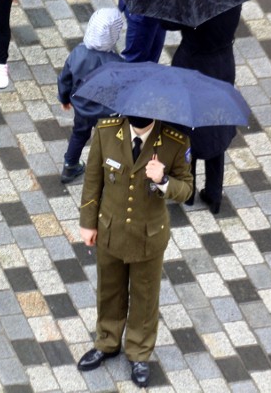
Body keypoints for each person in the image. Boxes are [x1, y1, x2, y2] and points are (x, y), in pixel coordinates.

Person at [76, 115, 193, 387]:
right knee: (109, 290)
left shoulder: (175, 142)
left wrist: (163, 179)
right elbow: (93, 181)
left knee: (144, 295)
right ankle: (107, 341)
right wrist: (87, 223)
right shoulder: (106, 132)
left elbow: (187, 190)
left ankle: (139, 351)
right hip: (111, 231)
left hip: (147, 237)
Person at [162, 4, 242, 214]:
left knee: (189, 126)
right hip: (223, 62)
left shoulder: (194, 1)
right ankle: (214, 193)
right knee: (216, 123)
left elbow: (166, 22)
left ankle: (188, 190)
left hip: (192, 62)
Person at [57, 8, 125, 183]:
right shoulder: (117, 63)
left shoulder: (78, 53)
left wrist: (65, 99)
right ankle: (108, 173)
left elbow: (64, 78)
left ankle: (70, 166)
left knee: (79, 134)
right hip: (107, 112)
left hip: (82, 108)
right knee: (108, 141)